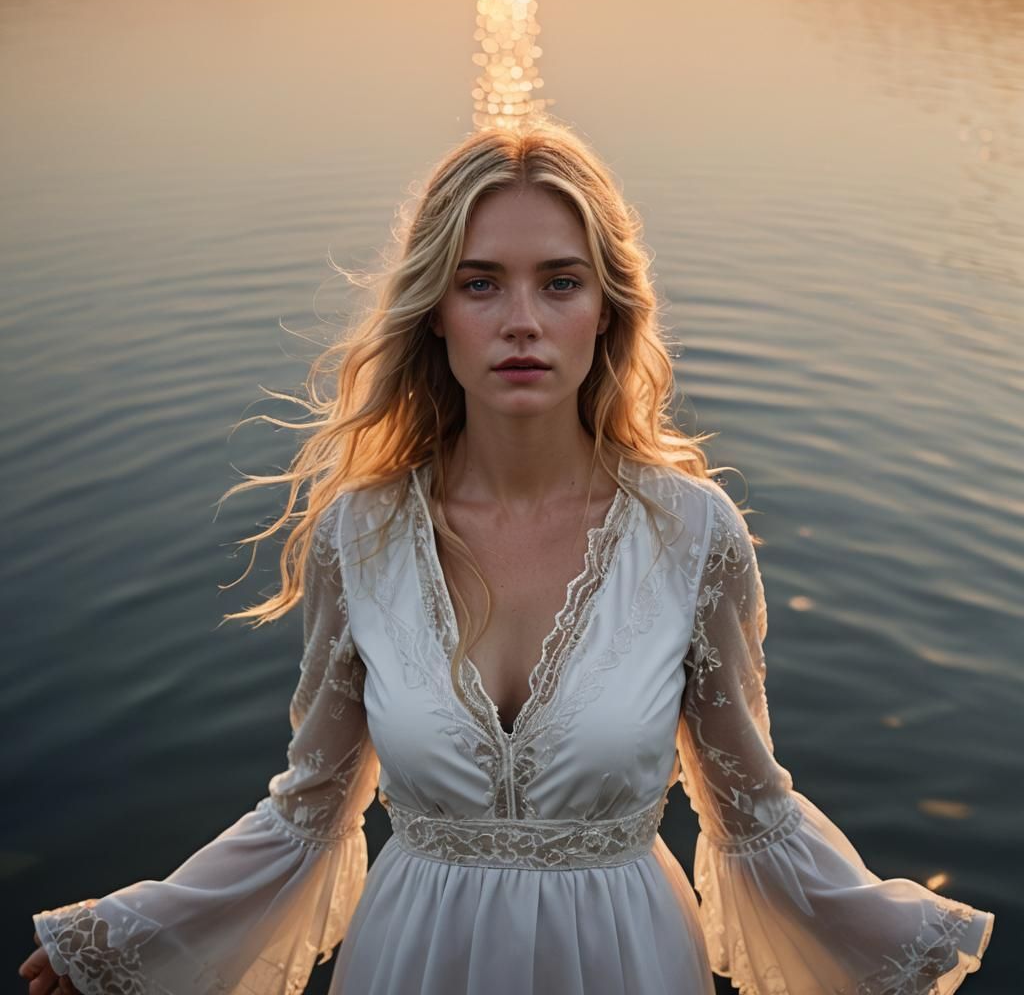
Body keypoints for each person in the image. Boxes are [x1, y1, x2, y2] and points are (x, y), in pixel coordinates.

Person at [20, 118, 995, 995]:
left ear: (605, 311)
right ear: (433, 312)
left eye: (558, 281)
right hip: (412, 960)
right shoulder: (356, 534)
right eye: (479, 282)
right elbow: (308, 810)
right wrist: (131, 935)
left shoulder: (693, 534)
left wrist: (892, 941)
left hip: (630, 958)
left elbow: (750, 808)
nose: (520, 319)